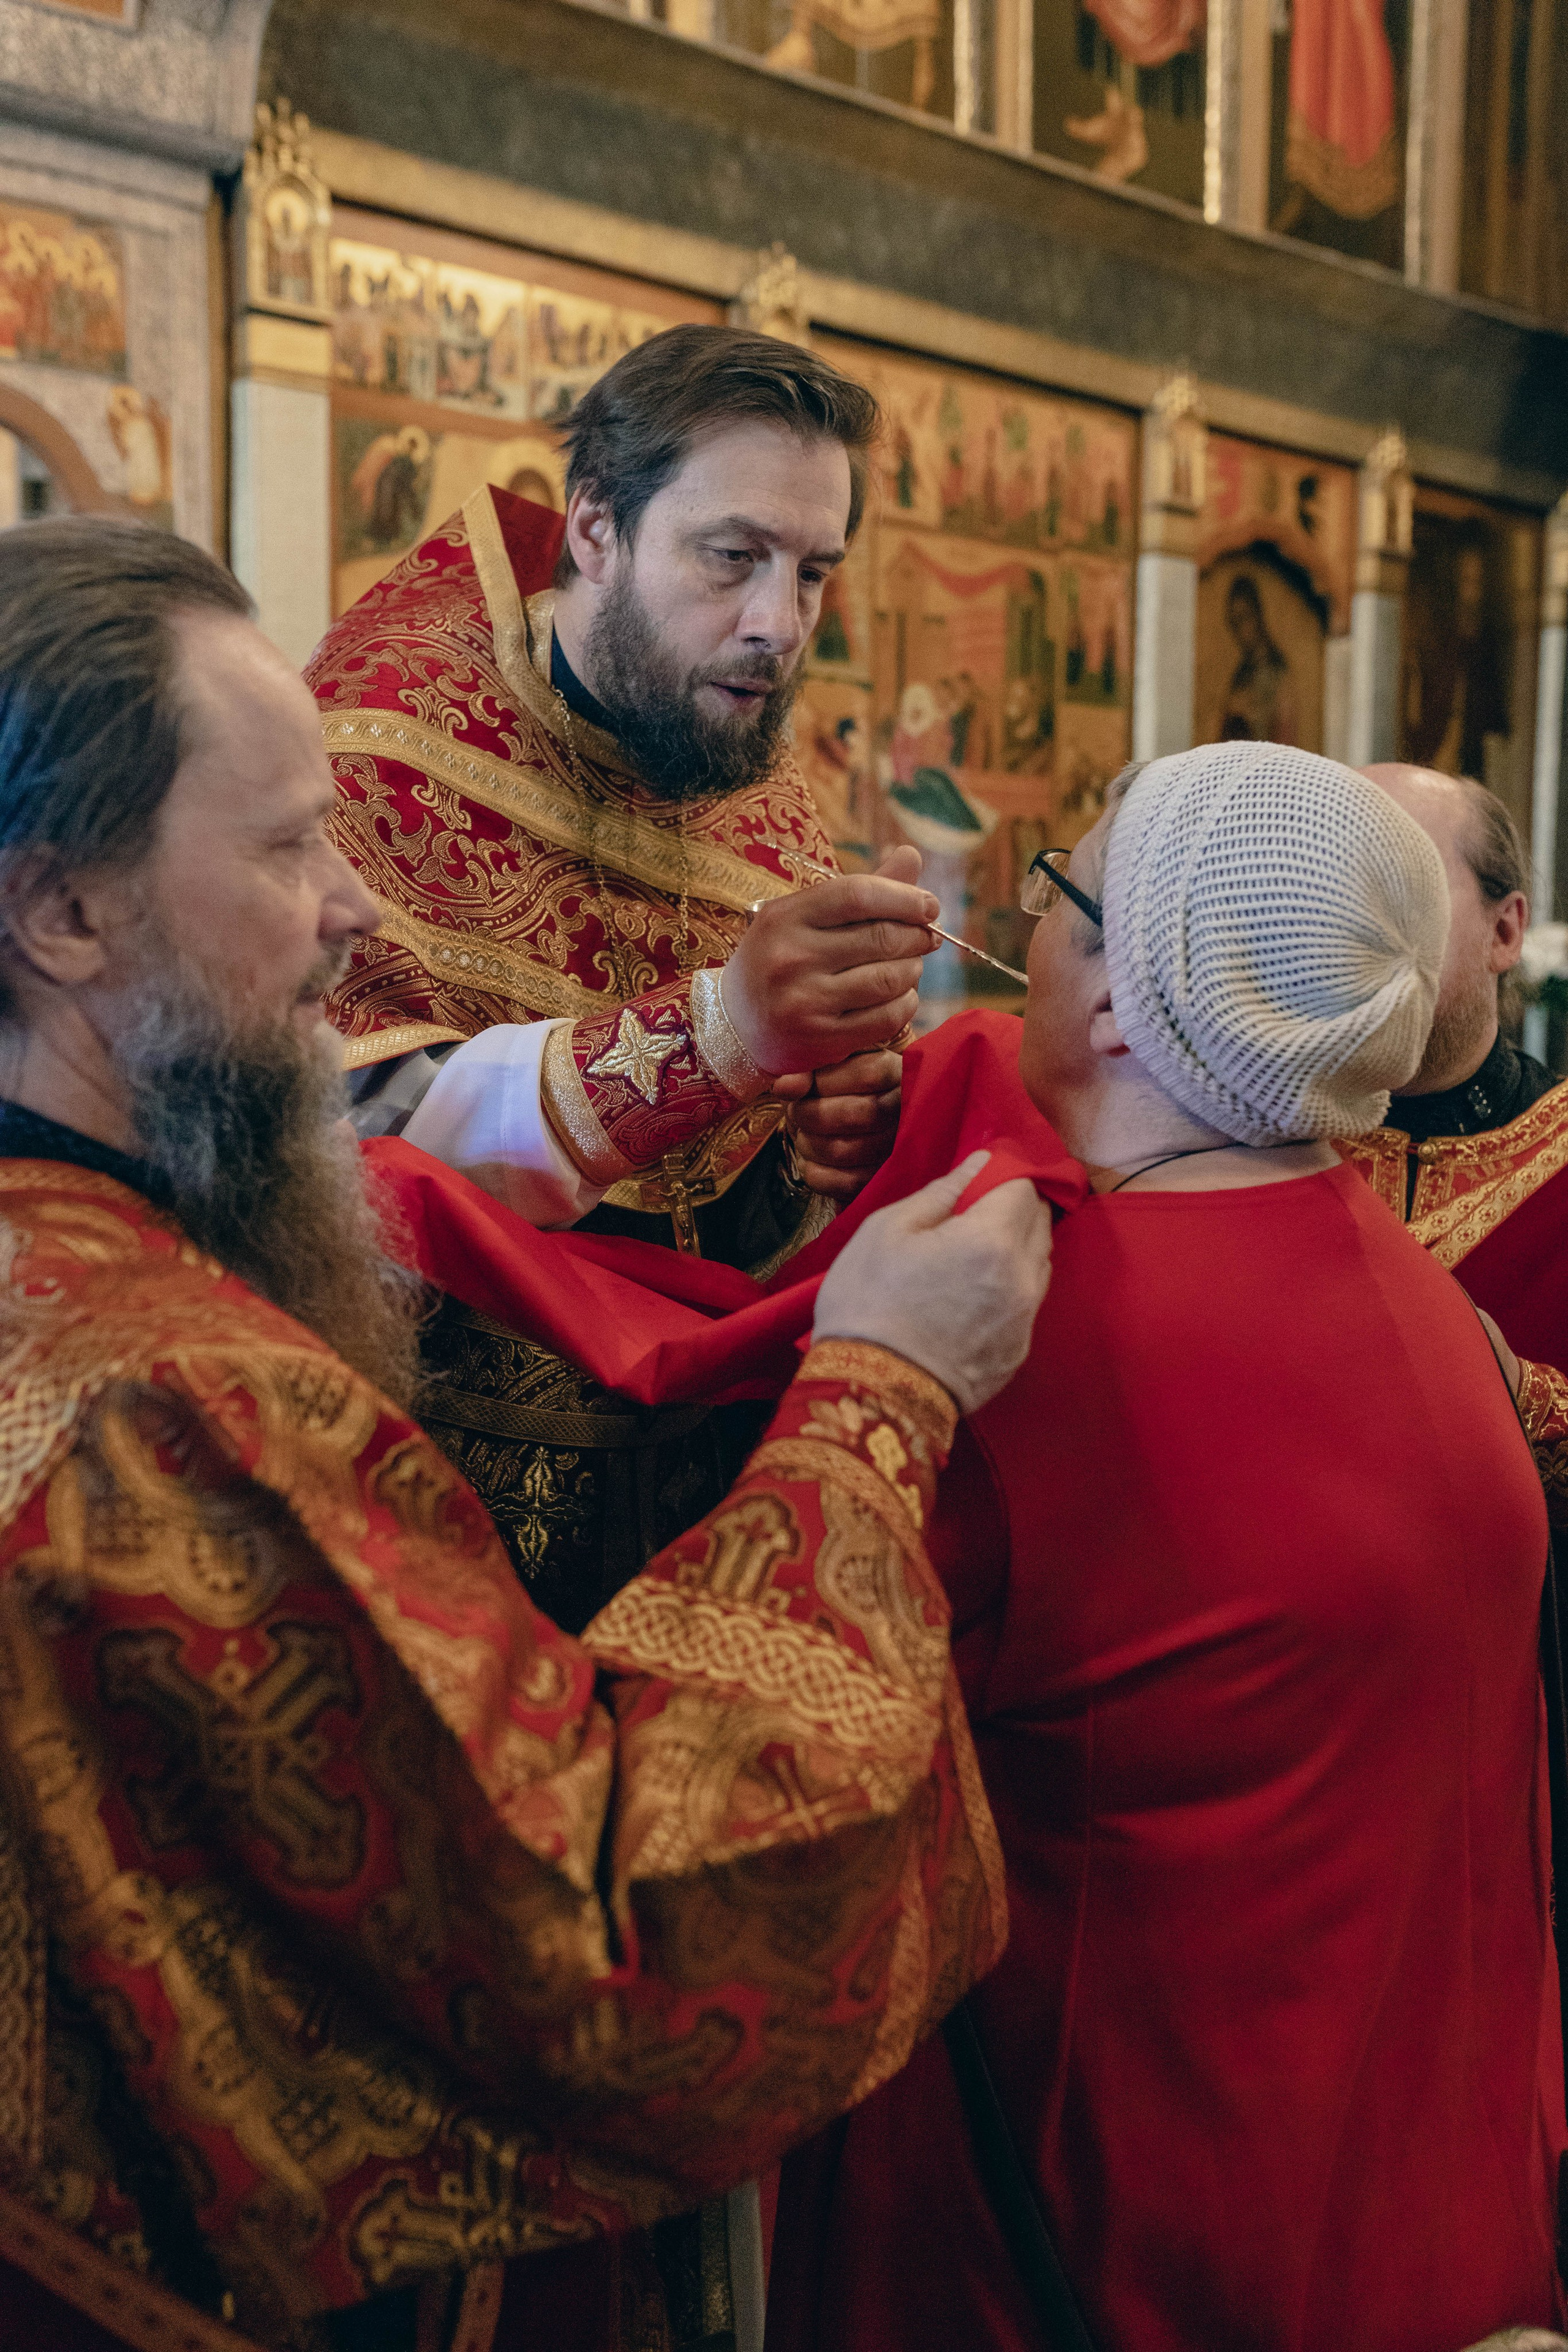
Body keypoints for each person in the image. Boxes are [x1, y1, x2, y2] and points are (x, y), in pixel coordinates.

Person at [0, 518, 1053, 2352]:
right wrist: (880, 1393)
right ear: (64, 911)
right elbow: (614, 1952)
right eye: (282, 847)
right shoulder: (183, 1406)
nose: (358, 908)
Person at [768, 741, 1567, 2352]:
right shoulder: (1424, 1293)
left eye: (1057, 897)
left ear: (1132, 1001)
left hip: (1107, 2237)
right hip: (1393, 2215)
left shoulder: (1032, 1343)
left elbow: (775, 1724)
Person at [307, 325, 943, 1630]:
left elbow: (747, 1214)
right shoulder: (365, 750)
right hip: (423, 1498)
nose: (778, 625)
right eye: (732, 559)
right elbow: (342, 1140)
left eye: (814, 572)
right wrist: (722, 1032)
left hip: (690, 1504)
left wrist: (829, 1137)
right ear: (592, 528)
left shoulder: (755, 788)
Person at [1339, 763, 1568, 1379]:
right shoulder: (1238, 1135)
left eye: (1399, 889)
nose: (1352, 927)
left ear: (1504, 930)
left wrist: (1517, 1396)